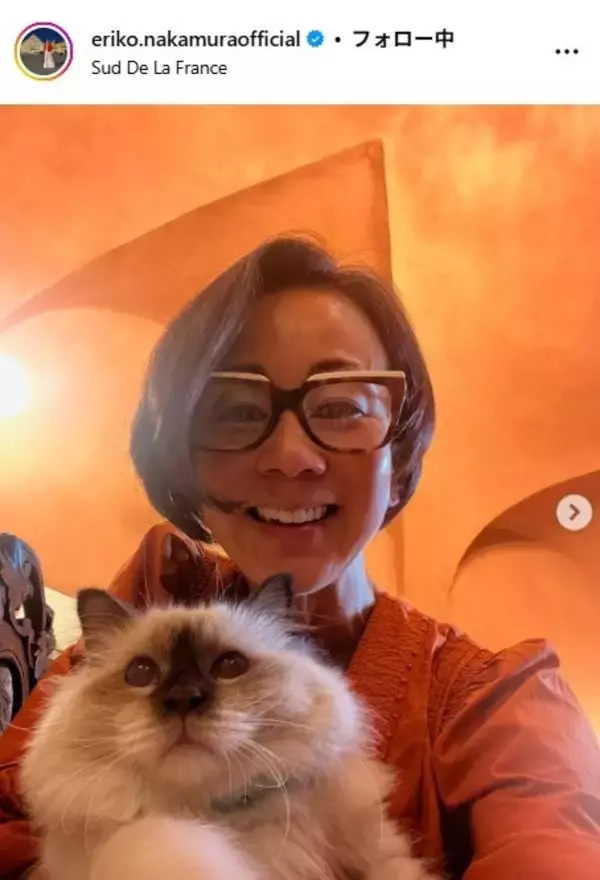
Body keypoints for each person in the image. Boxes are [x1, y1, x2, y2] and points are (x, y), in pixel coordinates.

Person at [1, 236, 599, 879]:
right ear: (185, 465)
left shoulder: (500, 700)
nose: (290, 456)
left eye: (341, 407)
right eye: (236, 411)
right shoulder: (148, 601)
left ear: (398, 460)